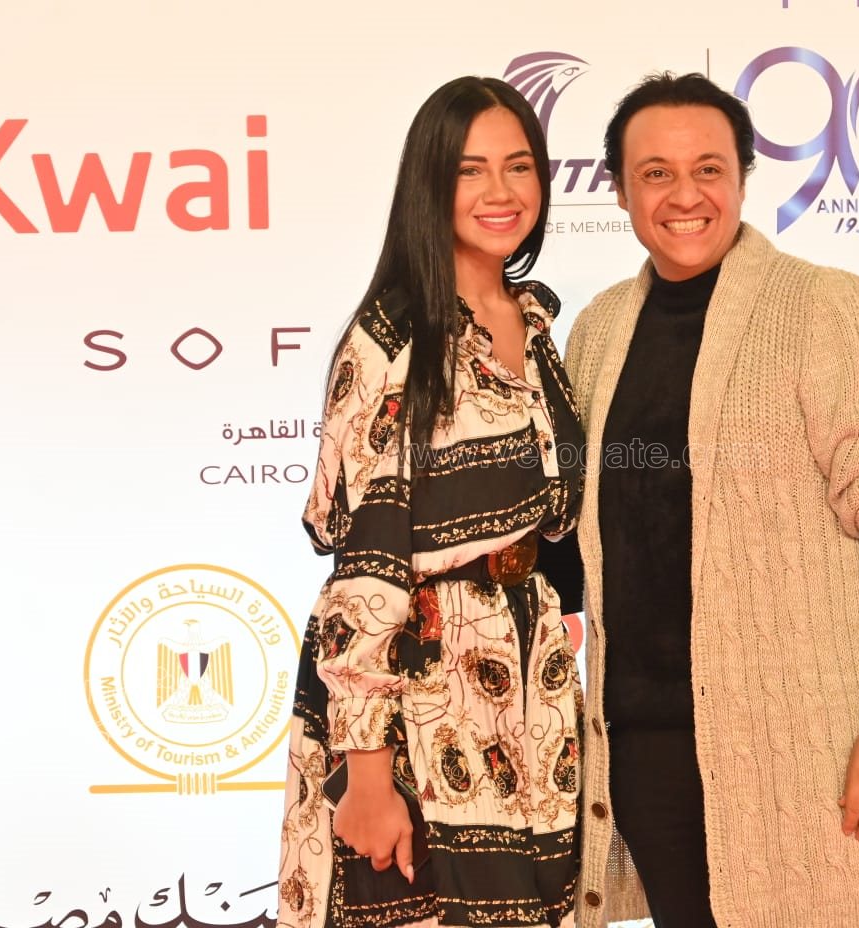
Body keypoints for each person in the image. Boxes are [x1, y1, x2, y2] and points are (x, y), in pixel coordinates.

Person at [563, 73, 859, 928]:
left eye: (708, 169)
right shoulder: (597, 329)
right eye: (656, 173)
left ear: (742, 179)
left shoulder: (824, 305)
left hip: (804, 751)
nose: (685, 196)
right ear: (621, 190)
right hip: (645, 751)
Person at [277, 76, 586, 928]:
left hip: (530, 689)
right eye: (469, 170)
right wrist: (367, 777)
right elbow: (366, 566)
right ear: (429, 184)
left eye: (518, 166)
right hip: (418, 696)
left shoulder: (536, 326)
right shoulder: (394, 337)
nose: (500, 191)